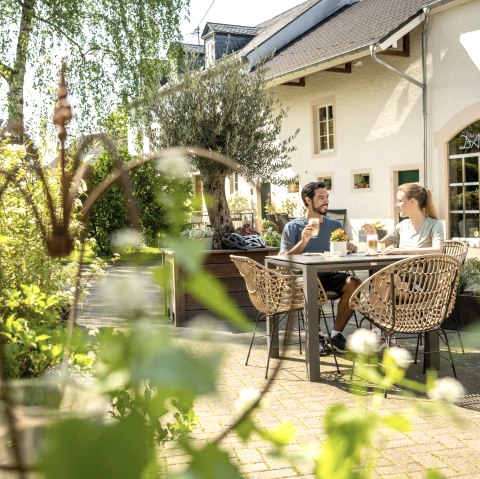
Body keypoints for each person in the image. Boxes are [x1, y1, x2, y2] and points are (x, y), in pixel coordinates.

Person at [280, 181, 360, 354]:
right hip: (303, 278)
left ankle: (336, 335)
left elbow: (342, 248)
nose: (326, 201)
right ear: (308, 200)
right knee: (312, 285)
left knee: (354, 282)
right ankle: (315, 336)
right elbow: (283, 259)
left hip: (329, 275)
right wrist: (303, 242)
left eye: (327, 197)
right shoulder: (293, 227)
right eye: (321, 197)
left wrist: (349, 247)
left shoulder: (335, 225)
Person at [363, 182, 444, 255]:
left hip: (424, 271)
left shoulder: (435, 225)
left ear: (412, 201)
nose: (396, 205)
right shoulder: (401, 226)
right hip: (399, 271)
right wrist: (373, 235)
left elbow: (437, 250)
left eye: (400, 201)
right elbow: (379, 246)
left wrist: (402, 251)